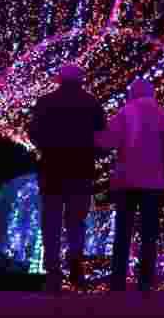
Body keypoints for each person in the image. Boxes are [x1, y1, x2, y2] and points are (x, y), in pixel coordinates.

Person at [27, 64, 106, 293]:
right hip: (81, 169)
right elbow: (102, 136)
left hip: (52, 169)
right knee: (76, 221)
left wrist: (46, 148)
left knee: (51, 221)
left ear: (60, 80)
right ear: (81, 80)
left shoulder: (45, 102)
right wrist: (92, 153)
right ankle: (76, 267)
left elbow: (34, 132)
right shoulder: (91, 103)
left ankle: (52, 271)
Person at [97, 78, 164, 291]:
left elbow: (106, 143)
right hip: (154, 182)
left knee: (122, 233)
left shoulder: (124, 113)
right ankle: (145, 282)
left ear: (132, 93)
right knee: (149, 234)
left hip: (126, 181)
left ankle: (117, 281)